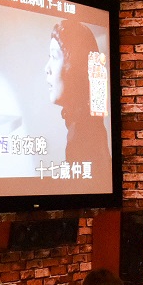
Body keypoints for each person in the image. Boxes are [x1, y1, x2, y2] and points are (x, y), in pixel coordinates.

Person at [46, 19, 110, 176]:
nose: (46, 68)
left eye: (54, 57)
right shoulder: (90, 127)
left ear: (75, 65)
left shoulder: (84, 135)